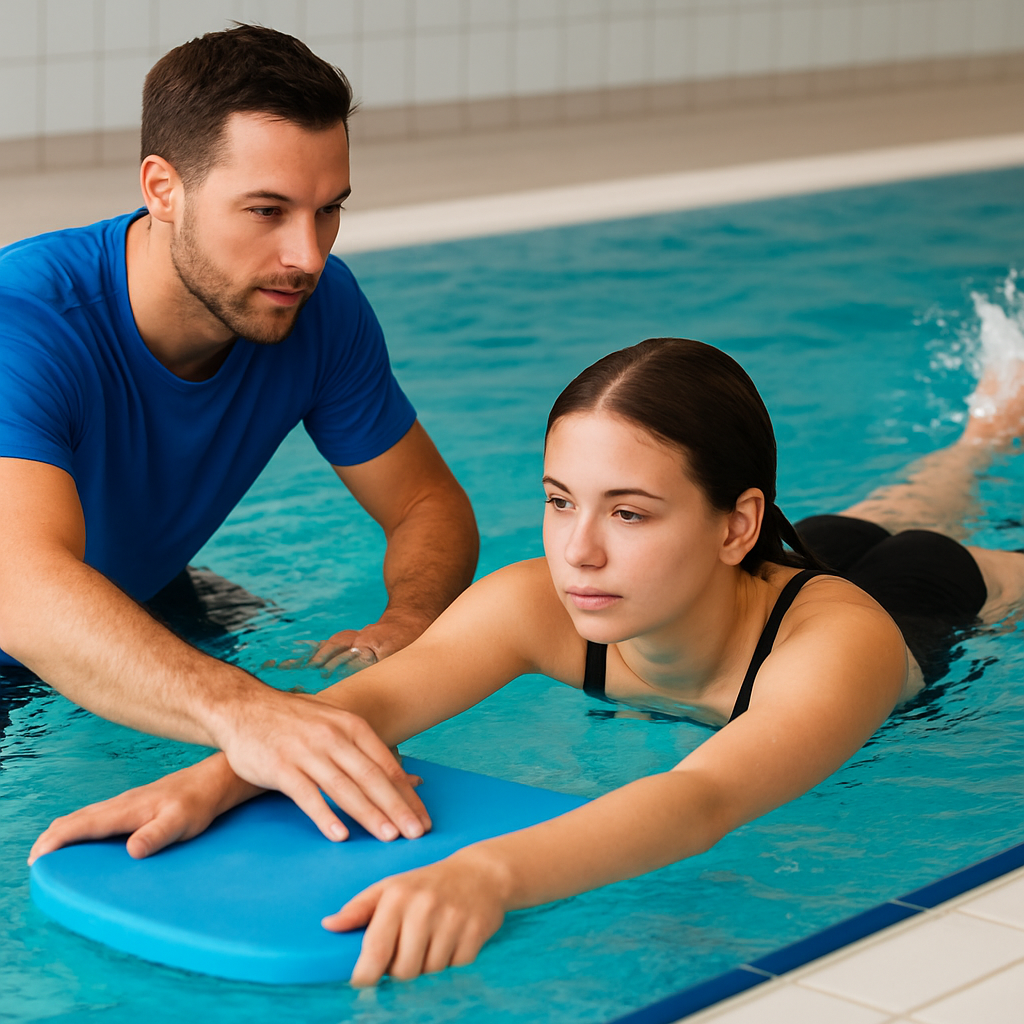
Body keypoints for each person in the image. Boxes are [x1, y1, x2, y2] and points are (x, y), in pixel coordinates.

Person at [29, 337, 1024, 986]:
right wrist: (212, 778)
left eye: (627, 512)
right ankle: (984, 430)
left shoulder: (833, 649)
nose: (577, 551)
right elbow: (373, 697)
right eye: (559, 501)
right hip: (759, 566)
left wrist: (489, 874)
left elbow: (699, 802)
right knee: (898, 502)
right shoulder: (538, 601)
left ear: (734, 525)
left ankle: (980, 453)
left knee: (925, 548)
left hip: (915, 612)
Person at [0, 25, 478, 843]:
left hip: (142, 591)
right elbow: (18, 586)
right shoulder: (27, 318)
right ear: (163, 188)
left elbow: (429, 501)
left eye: (329, 211)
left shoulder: (316, 309)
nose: (306, 255)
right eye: (267, 211)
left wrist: (409, 619)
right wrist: (243, 710)